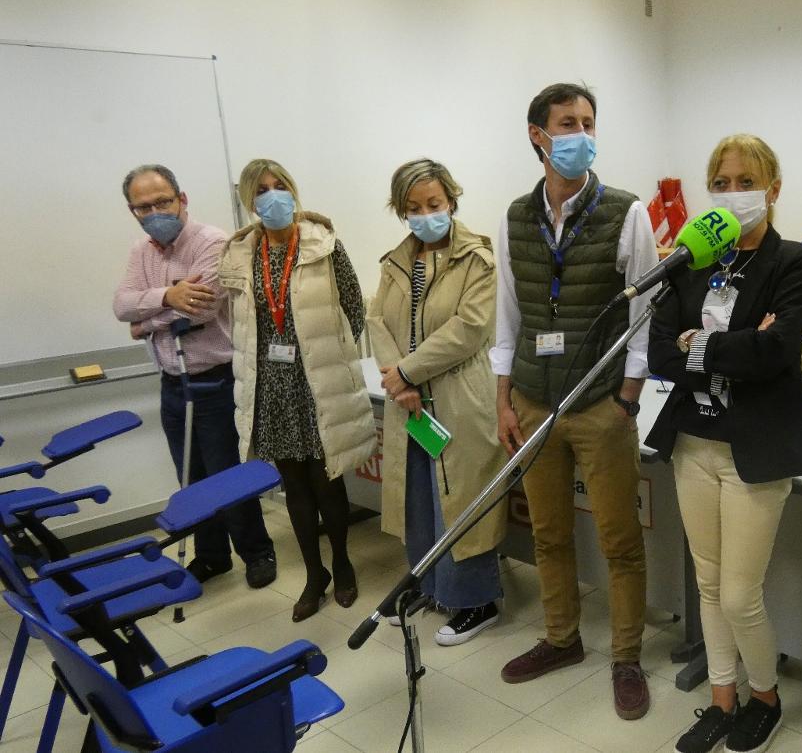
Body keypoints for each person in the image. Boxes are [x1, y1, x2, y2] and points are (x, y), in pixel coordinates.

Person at [646, 134, 802, 753]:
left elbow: (777, 353)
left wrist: (706, 344)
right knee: (710, 584)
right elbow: (662, 351)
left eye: (745, 181)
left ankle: (766, 696)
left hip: (756, 449)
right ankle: (722, 698)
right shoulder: (693, 259)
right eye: (719, 183)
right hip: (693, 440)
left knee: (743, 594)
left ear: (772, 190)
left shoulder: (793, 262)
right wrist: (733, 344)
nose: (730, 193)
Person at [492, 82, 660, 720]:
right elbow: (509, 316)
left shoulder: (627, 210)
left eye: (589, 121)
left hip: (599, 404)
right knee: (549, 534)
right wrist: (505, 399)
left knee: (620, 540)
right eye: (569, 123)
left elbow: (645, 313)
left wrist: (627, 398)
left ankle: (625, 657)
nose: (582, 134)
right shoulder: (513, 216)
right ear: (539, 135)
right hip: (534, 402)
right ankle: (561, 639)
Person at [218, 158, 374, 623]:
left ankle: (342, 565)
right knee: (295, 488)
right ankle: (314, 574)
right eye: (262, 189)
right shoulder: (240, 254)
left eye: (280, 185)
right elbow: (238, 321)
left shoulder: (323, 245)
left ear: (293, 189)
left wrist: (328, 353)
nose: (273, 195)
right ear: (250, 201)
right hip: (273, 385)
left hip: (317, 378)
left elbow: (354, 307)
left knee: (328, 482)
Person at [112, 164, 277, 589]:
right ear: (133, 211)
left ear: (181, 199)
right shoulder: (140, 252)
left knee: (227, 476)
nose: (154, 212)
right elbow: (122, 305)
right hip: (173, 381)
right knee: (192, 478)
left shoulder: (213, 241)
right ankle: (212, 556)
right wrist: (167, 295)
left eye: (162, 201)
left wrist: (145, 322)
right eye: (143, 206)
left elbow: (201, 306)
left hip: (216, 379)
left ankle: (257, 553)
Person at [366, 158, 508, 644]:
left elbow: (468, 330)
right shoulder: (395, 262)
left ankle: (477, 601)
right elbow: (377, 322)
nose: (425, 214)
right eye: (413, 207)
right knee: (421, 499)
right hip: (409, 401)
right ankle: (430, 585)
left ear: (451, 200)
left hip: (458, 396)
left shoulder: (478, 259)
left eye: (434, 204)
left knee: (463, 502)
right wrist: (398, 379)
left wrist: (405, 371)